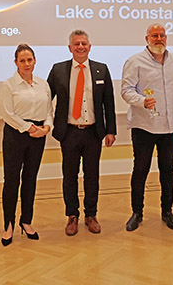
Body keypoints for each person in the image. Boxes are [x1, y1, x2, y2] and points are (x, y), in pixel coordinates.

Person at [47, 29, 116, 236]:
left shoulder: (101, 70)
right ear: (70, 48)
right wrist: (44, 123)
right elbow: (45, 98)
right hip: (68, 132)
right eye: (76, 44)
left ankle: (91, 215)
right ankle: (72, 215)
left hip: (93, 132)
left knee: (92, 176)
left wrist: (110, 130)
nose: (80, 47)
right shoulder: (58, 70)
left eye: (84, 43)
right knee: (69, 176)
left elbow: (109, 103)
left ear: (89, 47)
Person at [121, 24, 173, 232]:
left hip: (170, 126)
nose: (159, 39)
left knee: (168, 171)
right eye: (154, 35)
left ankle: (167, 212)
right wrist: (141, 100)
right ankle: (137, 212)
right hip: (144, 126)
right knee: (140, 171)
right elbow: (126, 90)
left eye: (162, 35)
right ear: (146, 38)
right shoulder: (134, 61)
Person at [0, 44, 53, 246]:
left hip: (39, 136)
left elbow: (49, 110)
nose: (26, 64)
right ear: (16, 63)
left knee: (30, 179)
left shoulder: (43, 84)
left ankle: (26, 221)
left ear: (35, 60)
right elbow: (8, 114)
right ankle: (9, 225)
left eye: (29, 59)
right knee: (12, 180)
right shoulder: (9, 85)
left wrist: (46, 127)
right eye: (22, 60)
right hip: (16, 135)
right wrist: (29, 128)